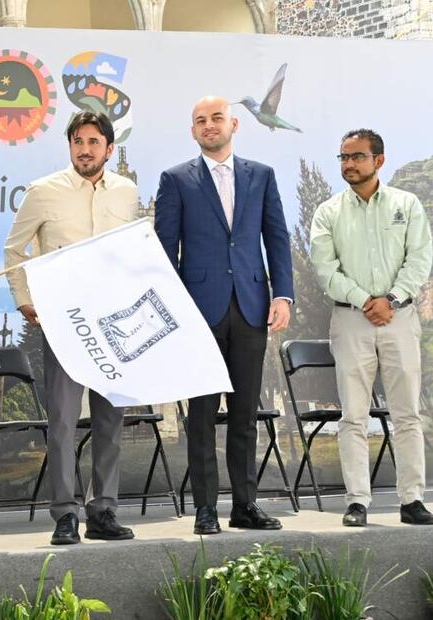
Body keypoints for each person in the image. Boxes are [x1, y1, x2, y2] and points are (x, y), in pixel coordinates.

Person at [154, 96, 294, 535]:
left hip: (252, 307)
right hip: (199, 313)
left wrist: (283, 295)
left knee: (245, 414)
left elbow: (277, 237)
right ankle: (205, 509)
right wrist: (175, 310)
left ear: (234, 124)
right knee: (200, 416)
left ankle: (245, 505)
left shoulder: (262, 175)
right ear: (192, 130)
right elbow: (165, 252)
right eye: (201, 120)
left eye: (217, 118)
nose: (209, 125)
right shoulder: (176, 179)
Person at [4, 111, 138, 545]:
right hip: (65, 323)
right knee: (62, 421)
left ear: (109, 149)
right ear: (70, 147)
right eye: (78, 141)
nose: (85, 149)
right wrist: (24, 298)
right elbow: (14, 249)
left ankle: (104, 511)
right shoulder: (43, 192)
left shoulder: (127, 193)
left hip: (114, 324)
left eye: (94, 142)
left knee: (109, 420)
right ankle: (65, 514)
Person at [309, 129, 433, 527]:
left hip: (400, 317)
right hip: (351, 320)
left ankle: (412, 499)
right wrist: (366, 300)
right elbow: (325, 269)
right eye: (343, 157)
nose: (348, 164)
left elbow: (420, 259)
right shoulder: (328, 212)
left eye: (357, 156)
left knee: (407, 413)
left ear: (378, 160)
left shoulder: (406, 205)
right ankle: (357, 502)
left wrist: (390, 299)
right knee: (353, 415)